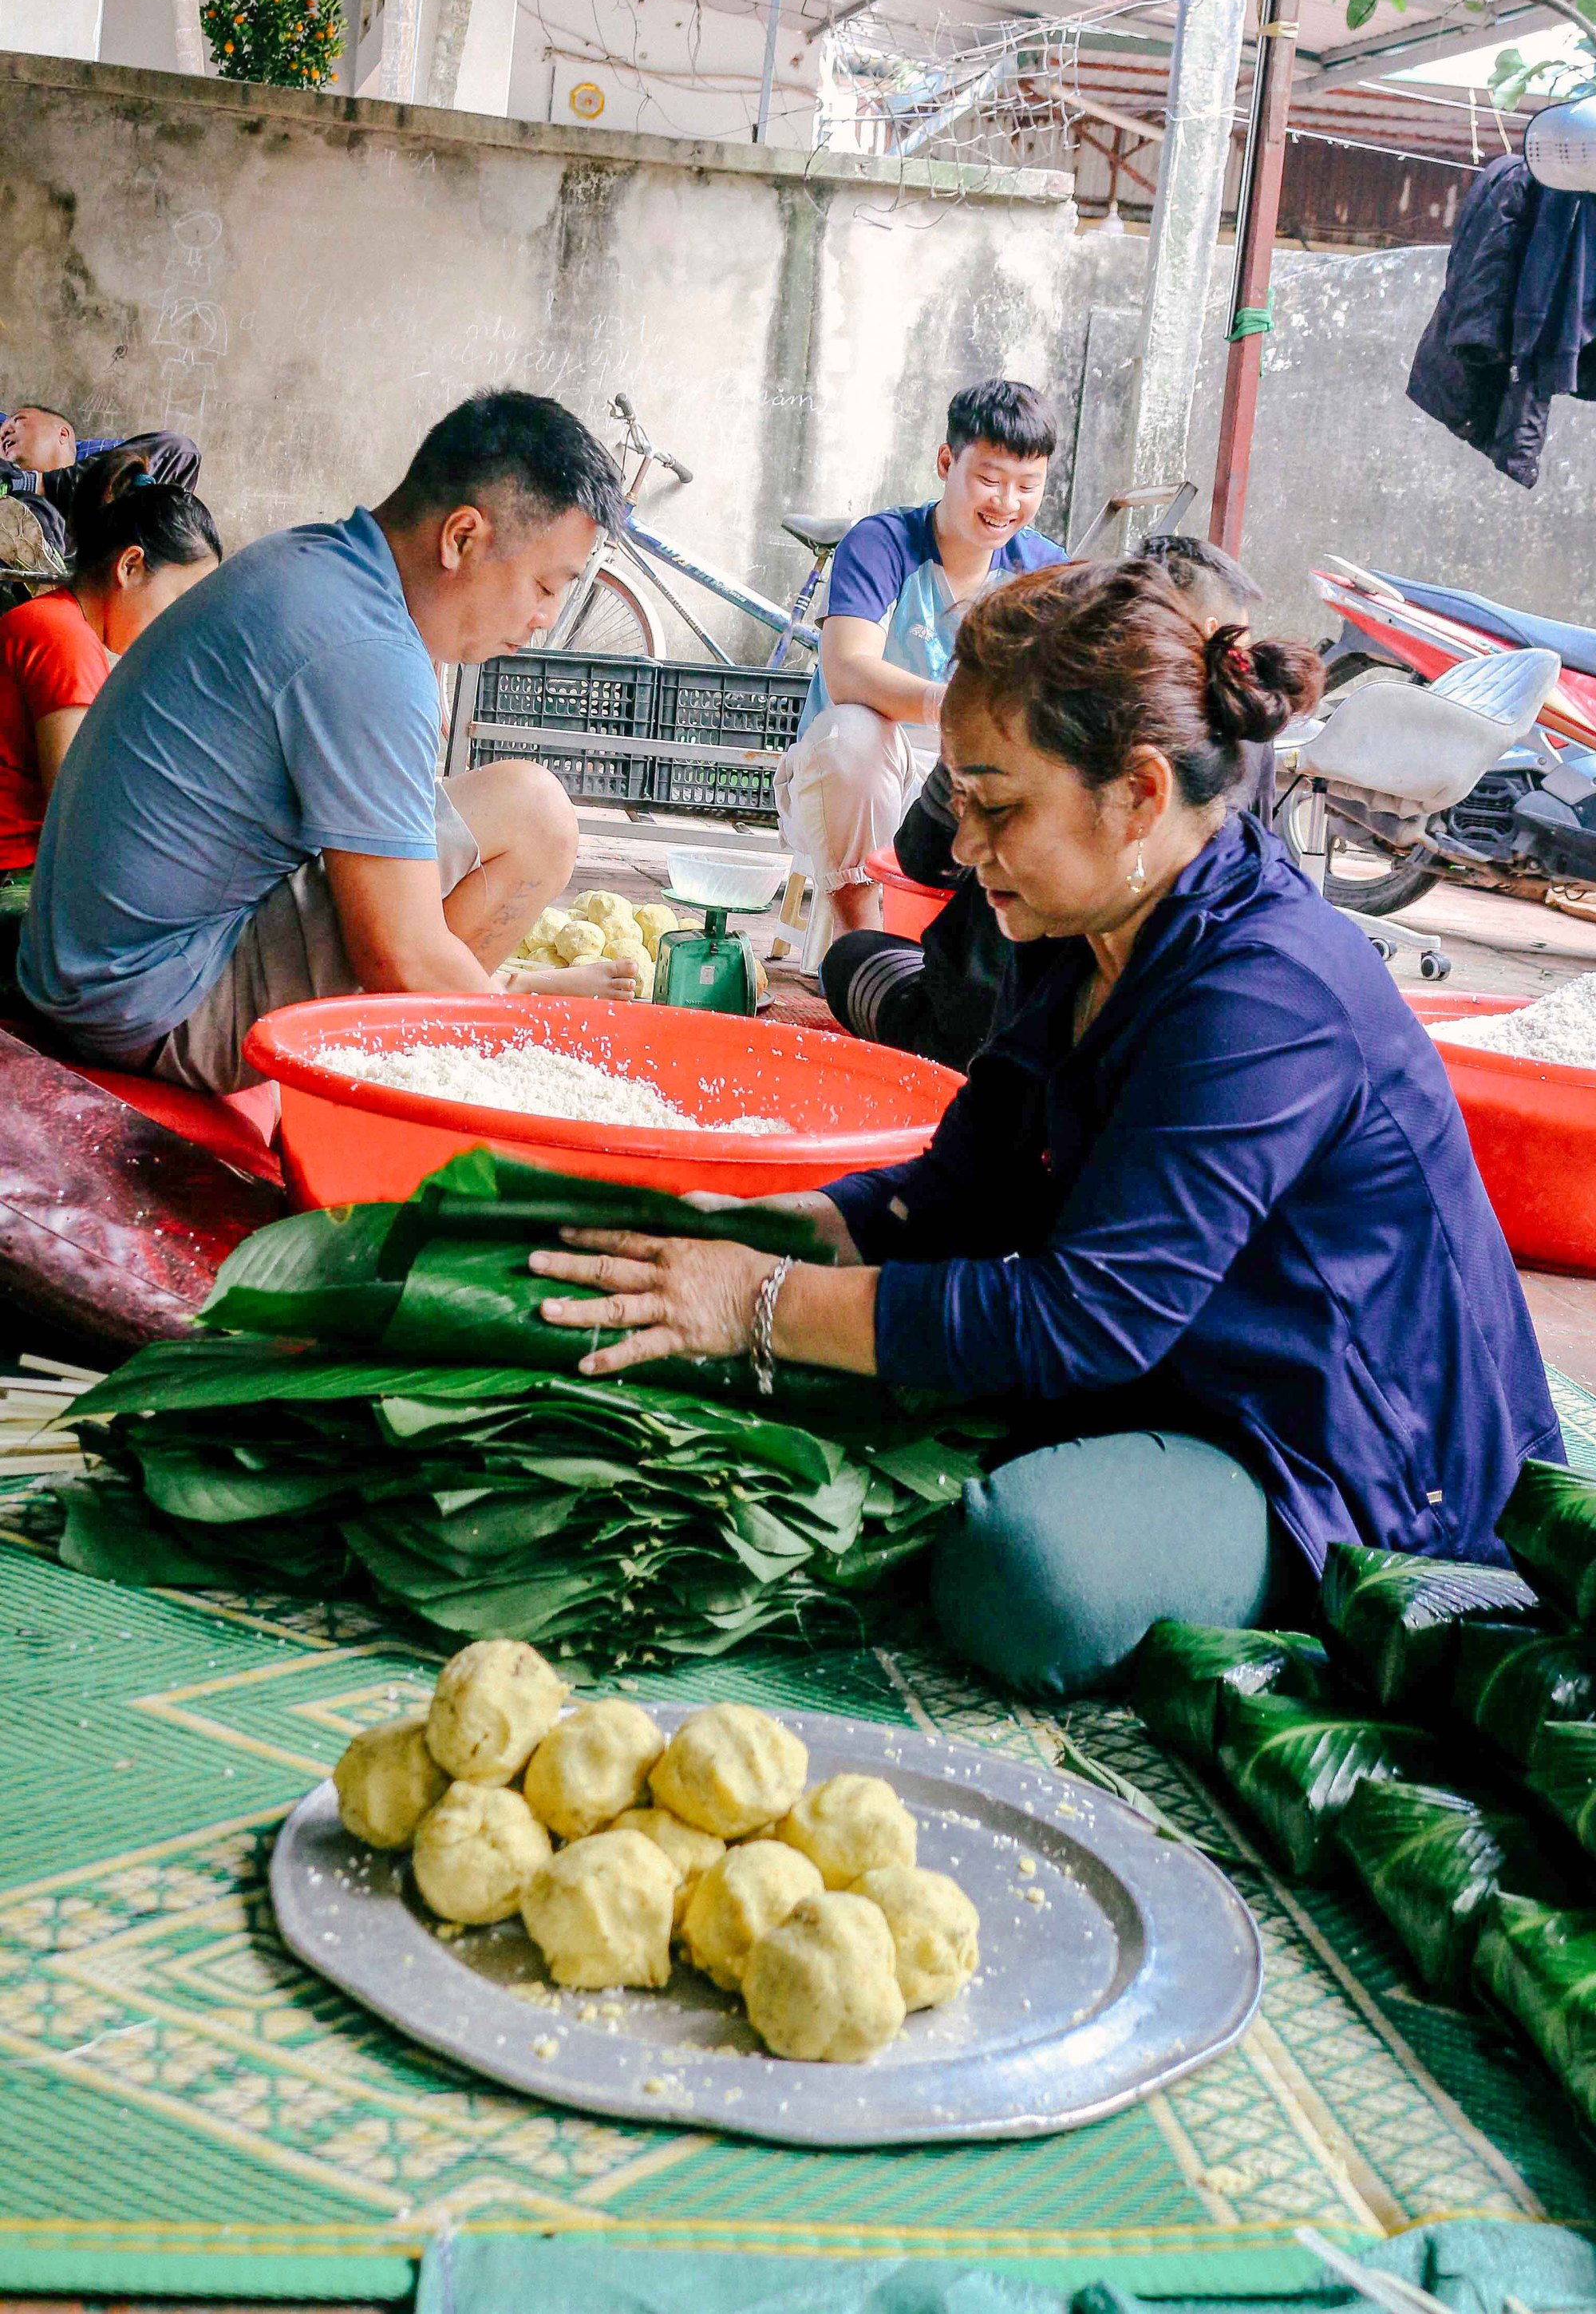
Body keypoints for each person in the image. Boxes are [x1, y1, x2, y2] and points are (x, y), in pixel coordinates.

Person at [528, 558, 1562, 1700]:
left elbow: (1089, 1315)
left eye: (998, 803)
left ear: (1139, 792)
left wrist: (751, 1301)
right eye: (960, 800)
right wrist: (784, 1231)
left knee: (1027, 1573)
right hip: (1177, 1368)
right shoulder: (1080, 928)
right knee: (825, 1360)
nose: (964, 845)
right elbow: (958, 1187)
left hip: (1339, 1455)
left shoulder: (1267, 993)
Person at [20, 390, 637, 1095]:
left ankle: (477, 1017)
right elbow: (398, 955)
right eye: (546, 585)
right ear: (460, 537)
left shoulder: (317, 563)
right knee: (534, 816)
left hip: (84, 972)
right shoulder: (369, 649)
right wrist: (549, 1084)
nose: (545, 620)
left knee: (488, 827)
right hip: (149, 1007)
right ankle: (422, 1087)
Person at [822, 530, 1274, 1073]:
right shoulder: (1242, 769)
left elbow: (924, 857)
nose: (970, 847)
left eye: (998, 806)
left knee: (857, 960)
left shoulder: (1057, 715)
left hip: (992, 1020)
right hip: (1037, 1017)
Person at [774, 379, 1064, 971]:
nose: (1007, 502)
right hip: (862, 779)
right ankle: (862, 944)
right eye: (989, 479)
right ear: (945, 462)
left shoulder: (1046, 569)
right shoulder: (882, 543)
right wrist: (954, 704)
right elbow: (848, 670)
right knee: (851, 730)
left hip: (975, 779)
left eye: (1027, 486)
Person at [0, 459, 223, 884]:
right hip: (13, 875)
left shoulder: (60, 624)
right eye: (180, 601)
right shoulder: (63, 638)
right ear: (130, 566)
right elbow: (79, 819)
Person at [0, 406, 201, 560]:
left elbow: (179, 453)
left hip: (97, 548)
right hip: (26, 542)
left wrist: (43, 484)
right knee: (26, 507)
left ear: (62, 434)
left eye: (19, 421)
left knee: (178, 448)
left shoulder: (111, 475)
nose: (4, 431)